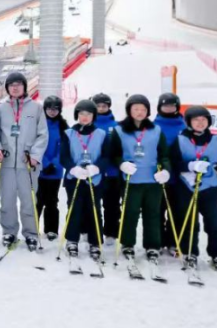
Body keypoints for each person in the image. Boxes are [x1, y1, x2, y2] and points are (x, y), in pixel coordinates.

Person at [169, 105, 217, 270]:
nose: (200, 123)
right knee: (189, 222)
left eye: (204, 119)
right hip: (186, 187)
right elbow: (173, 162)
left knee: (213, 222)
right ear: (189, 122)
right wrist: (189, 165)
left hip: (209, 187)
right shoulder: (180, 140)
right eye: (196, 120)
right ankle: (189, 252)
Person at [0, 72, 48, 250]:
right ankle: (9, 232)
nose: (15, 87)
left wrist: (35, 156)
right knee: (7, 200)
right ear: (7, 88)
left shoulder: (36, 108)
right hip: (7, 163)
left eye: (18, 84)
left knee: (28, 201)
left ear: (24, 86)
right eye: (11, 84)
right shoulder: (2, 109)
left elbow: (43, 134)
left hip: (28, 163)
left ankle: (31, 233)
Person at [113, 94, 171, 263]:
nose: (140, 112)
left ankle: (152, 245)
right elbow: (114, 153)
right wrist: (122, 164)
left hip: (153, 180)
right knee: (130, 213)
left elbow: (164, 155)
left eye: (143, 109)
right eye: (136, 109)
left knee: (153, 213)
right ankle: (127, 243)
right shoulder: (119, 130)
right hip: (131, 179)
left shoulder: (156, 130)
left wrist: (166, 170)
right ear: (129, 110)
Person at [60, 100, 111, 261]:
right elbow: (64, 156)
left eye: (88, 114)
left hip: (94, 178)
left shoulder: (101, 134)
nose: (85, 117)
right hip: (74, 177)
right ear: (77, 115)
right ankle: (72, 240)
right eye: (81, 113)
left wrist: (96, 168)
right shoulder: (69, 133)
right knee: (74, 209)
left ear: (93, 116)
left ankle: (95, 241)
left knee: (94, 209)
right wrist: (72, 168)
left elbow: (106, 156)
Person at [154, 92, 186, 253]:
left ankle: (174, 241)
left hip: (179, 176)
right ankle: (158, 241)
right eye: (165, 105)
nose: (168, 108)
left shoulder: (184, 126)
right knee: (157, 210)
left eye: (172, 105)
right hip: (158, 175)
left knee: (177, 210)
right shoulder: (153, 126)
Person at [91, 92, 122, 245]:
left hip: (112, 172)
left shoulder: (116, 126)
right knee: (92, 203)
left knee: (112, 204)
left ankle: (111, 232)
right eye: (98, 106)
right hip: (93, 171)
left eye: (104, 106)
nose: (101, 108)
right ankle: (91, 231)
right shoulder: (89, 124)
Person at [37, 96, 69, 241]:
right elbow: (35, 145)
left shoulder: (63, 126)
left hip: (55, 170)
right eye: (49, 108)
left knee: (52, 200)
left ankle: (51, 229)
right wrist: (44, 163)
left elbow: (64, 148)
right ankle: (32, 227)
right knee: (38, 200)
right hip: (39, 168)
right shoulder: (39, 124)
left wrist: (54, 163)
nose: (52, 111)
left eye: (55, 109)